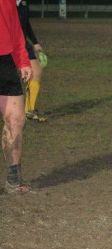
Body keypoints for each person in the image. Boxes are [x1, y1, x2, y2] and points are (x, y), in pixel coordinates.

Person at [1, 0, 32, 194]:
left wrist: (22, 59)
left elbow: (13, 24)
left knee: (16, 119)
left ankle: (13, 179)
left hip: (4, 59)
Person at [17, 0, 46, 122]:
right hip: (10, 44)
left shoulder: (23, 4)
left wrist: (35, 42)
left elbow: (26, 24)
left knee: (36, 72)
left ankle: (29, 109)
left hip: (22, 43)